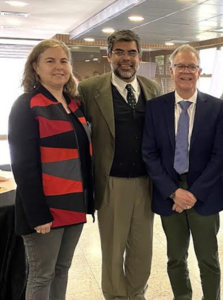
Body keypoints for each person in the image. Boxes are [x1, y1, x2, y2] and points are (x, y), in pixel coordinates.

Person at [78, 30, 161, 300]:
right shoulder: (90, 90)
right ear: (109, 55)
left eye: (132, 52)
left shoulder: (152, 88)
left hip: (146, 183)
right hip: (111, 181)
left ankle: (137, 294)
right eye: (119, 52)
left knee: (142, 250)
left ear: (140, 56)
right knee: (113, 249)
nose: (126, 58)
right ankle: (115, 296)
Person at [8, 39, 94, 299]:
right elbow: (23, 165)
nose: (59, 67)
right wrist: (38, 214)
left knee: (62, 269)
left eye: (64, 61)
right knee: (42, 274)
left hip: (74, 205)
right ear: (35, 67)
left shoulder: (73, 104)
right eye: (50, 61)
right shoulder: (26, 105)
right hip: (45, 209)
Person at [142, 44, 223, 300]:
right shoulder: (156, 107)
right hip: (169, 195)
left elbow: (219, 154)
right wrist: (173, 192)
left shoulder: (216, 107)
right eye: (181, 66)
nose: (186, 71)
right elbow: (149, 153)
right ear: (171, 70)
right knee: (176, 258)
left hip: (205, 195)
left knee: (208, 260)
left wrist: (193, 193)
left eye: (191, 66)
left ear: (199, 71)